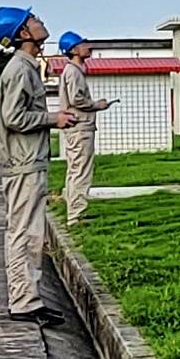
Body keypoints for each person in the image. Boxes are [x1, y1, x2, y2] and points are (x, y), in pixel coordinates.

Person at [0, 5, 79, 325]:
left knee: (31, 232)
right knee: (23, 232)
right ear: (22, 34)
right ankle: (23, 301)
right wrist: (54, 118)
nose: (40, 21)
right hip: (22, 163)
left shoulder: (27, 66)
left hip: (28, 160)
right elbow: (14, 118)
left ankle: (29, 297)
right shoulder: (19, 70)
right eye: (33, 20)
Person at [51, 29, 115, 224]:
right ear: (74, 49)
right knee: (81, 170)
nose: (89, 47)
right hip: (80, 127)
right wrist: (98, 105)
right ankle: (76, 214)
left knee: (75, 169)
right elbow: (77, 100)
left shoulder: (72, 71)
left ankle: (74, 210)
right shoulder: (73, 72)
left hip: (76, 127)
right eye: (83, 44)